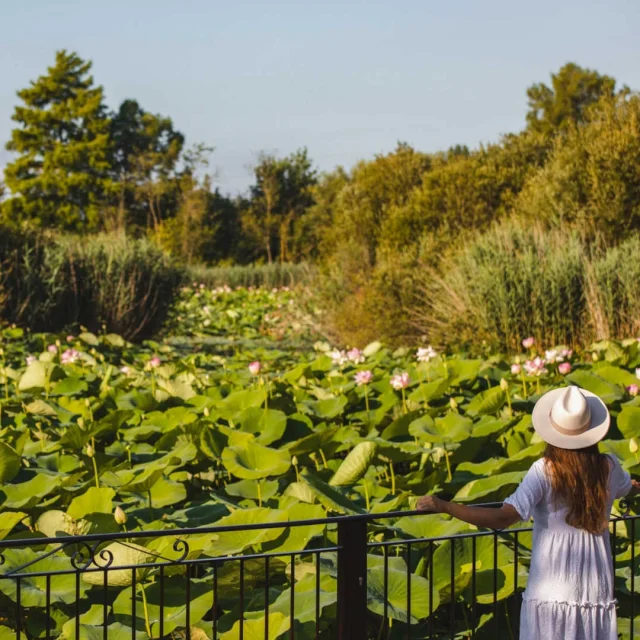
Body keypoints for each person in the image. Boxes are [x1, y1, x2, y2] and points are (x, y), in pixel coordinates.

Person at [417, 385, 640, 640]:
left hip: (552, 591)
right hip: (594, 590)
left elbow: (502, 518)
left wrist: (445, 506)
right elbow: (625, 488)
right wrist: (634, 488)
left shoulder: (545, 470)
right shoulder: (609, 467)